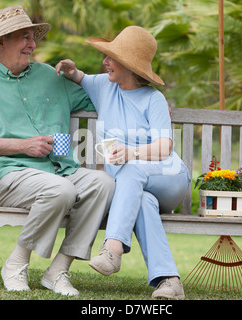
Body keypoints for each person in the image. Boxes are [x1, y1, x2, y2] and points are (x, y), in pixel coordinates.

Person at [0, 6, 115, 296]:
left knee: (103, 183)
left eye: (33, 38)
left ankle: (58, 271)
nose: (32, 45)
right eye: (24, 38)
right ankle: (16, 264)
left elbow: (106, 98)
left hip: (59, 169)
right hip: (9, 174)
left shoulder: (51, 76)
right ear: (0, 42)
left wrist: (145, 97)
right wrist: (23, 145)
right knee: (60, 190)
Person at [56, 26, 191, 299]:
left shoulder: (154, 99)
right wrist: (70, 71)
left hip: (169, 177)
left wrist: (131, 153)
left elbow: (165, 146)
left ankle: (113, 249)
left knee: (130, 173)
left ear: (130, 66)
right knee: (142, 201)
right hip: (135, 189)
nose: (105, 62)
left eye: (112, 57)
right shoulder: (105, 87)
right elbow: (78, 76)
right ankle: (170, 281)